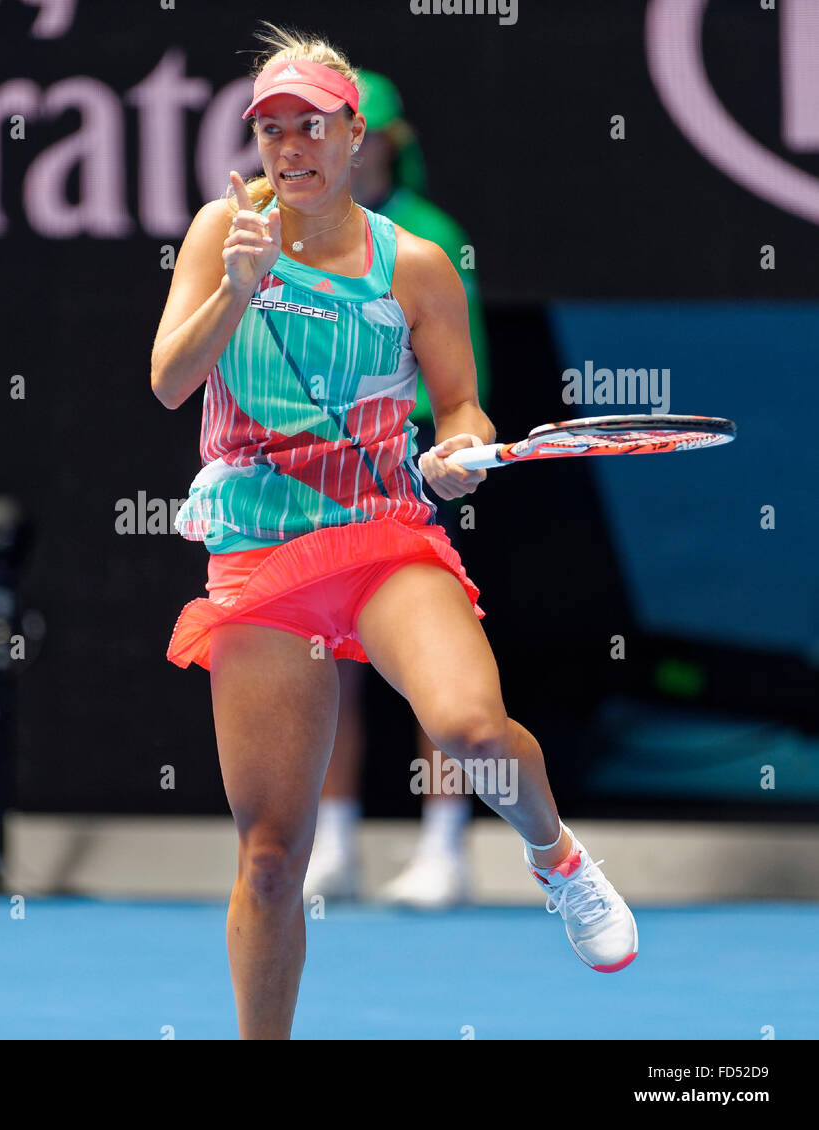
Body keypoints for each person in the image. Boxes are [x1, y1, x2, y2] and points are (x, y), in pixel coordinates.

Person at [151, 24, 637, 1039]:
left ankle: (554, 857)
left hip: (381, 534)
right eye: (271, 130)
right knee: (272, 856)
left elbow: (461, 407)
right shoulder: (220, 231)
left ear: (353, 132)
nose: (291, 149)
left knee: (467, 726)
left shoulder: (415, 264)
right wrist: (234, 293)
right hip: (257, 549)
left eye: (311, 127)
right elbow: (167, 382)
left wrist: (460, 448)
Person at [304, 70, 492, 908]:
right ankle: (333, 844)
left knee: (434, 674)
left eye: (359, 132)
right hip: (314, 489)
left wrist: (452, 447)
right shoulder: (278, 240)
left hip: (408, 481)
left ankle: (443, 849)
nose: (345, 149)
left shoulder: (430, 241)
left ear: (384, 141)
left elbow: (459, 395)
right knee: (325, 665)